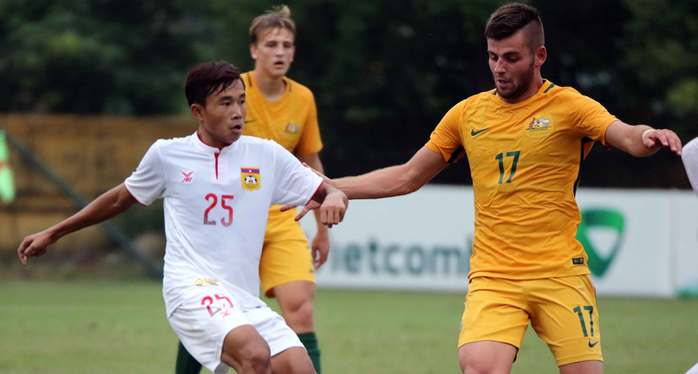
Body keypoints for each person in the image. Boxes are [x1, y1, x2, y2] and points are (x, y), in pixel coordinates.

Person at [288, 3, 682, 374]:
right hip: (495, 276)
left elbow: (626, 135)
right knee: (479, 366)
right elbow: (407, 176)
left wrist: (649, 135)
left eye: (511, 57)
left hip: (560, 273)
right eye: (493, 56)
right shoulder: (466, 114)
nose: (499, 67)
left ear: (539, 56)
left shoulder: (570, 107)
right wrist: (325, 185)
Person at [17, 60, 348, 374]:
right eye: (225, 103)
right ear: (198, 112)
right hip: (190, 288)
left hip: (243, 297)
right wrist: (55, 232)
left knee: (299, 366)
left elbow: (326, 190)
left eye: (241, 101)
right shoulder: (168, 154)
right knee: (255, 355)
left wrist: (334, 197)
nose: (238, 113)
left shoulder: (266, 154)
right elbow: (119, 200)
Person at [175, 6, 329, 374]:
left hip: (281, 219)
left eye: (287, 45)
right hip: (230, 221)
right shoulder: (229, 90)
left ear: (294, 52)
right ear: (254, 50)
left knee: (301, 308)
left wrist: (322, 229)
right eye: (271, 44)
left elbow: (312, 162)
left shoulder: (303, 98)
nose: (280, 52)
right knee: (213, 312)